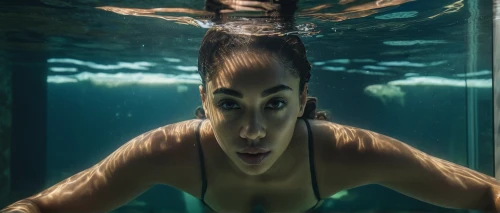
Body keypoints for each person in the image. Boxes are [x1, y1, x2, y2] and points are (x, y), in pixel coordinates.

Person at [2, 23, 500, 213]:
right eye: (230, 103)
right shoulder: (171, 151)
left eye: (276, 103)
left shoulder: (343, 151)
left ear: (304, 98)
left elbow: (484, 192)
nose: (253, 132)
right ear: (203, 98)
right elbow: (40, 209)